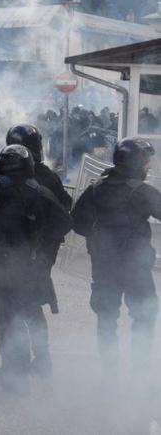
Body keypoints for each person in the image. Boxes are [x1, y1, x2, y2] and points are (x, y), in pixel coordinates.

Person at [0, 145, 71, 397]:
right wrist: (36, 241)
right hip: (21, 269)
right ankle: (16, 379)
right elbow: (64, 223)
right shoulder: (38, 191)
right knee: (9, 320)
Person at [71, 138, 160, 384]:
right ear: (137, 162)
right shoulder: (142, 192)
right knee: (143, 317)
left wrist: (100, 237)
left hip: (104, 267)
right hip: (136, 270)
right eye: (146, 161)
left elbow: (77, 223)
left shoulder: (96, 189)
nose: (148, 166)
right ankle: (140, 375)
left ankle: (110, 375)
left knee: (106, 319)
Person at [4, 124, 72, 378]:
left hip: (24, 252)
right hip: (41, 251)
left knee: (19, 306)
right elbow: (66, 206)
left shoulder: (16, 177)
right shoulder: (48, 176)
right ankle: (40, 360)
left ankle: (27, 363)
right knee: (30, 305)